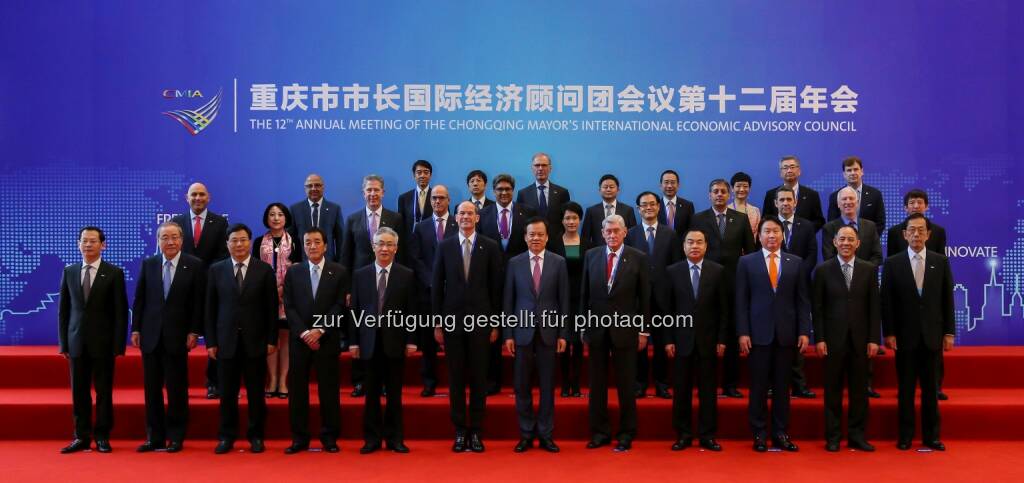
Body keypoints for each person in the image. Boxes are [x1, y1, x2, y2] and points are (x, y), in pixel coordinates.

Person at [432, 201, 503, 453]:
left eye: (469, 213)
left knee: (478, 378)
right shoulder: (445, 246)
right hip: (452, 323)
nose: (465, 217)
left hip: (482, 323)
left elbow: (496, 288)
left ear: (477, 217)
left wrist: (495, 322)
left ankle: (476, 431)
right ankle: (460, 430)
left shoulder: (490, 247)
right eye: (461, 213)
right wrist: (438, 321)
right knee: (456, 378)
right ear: (456, 216)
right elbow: (436, 285)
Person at [736, 218, 811, 452]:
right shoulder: (746, 262)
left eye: (775, 231)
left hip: (786, 335)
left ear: (782, 235)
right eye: (767, 231)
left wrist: (804, 331)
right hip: (757, 335)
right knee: (758, 387)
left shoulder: (795, 263)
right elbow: (741, 301)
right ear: (759, 235)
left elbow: (802, 301)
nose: (771, 235)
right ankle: (758, 433)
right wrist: (743, 332)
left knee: (782, 388)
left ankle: (780, 433)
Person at [882, 214, 954, 451]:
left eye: (920, 230)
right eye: (911, 230)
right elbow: (888, 302)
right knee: (905, 390)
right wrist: (889, 332)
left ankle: (931, 437)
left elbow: (947, 300)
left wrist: (949, 333)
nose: (916, 234)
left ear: (928, 234)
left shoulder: (940, 261)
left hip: (933, 336)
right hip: (905, 337)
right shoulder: (893, 263)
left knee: (931, 391)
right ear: (904, 235)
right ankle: (905, 436)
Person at [205, 224, 278, 454]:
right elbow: (210, 308)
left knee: (256, 393)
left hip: (255, 341)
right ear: (227, 244)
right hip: (225, 341)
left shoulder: (264, 270)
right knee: (227, 393)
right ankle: (227, 436)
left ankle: (256, 436)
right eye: (234, 240)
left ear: (250, 242)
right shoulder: (216, 270)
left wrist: (271, 339)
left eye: (243, 240)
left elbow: (271, 309)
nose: (238, 244)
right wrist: (211, 342)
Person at [131, 221, 204, 453]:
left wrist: (194, 331)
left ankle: (176, 436)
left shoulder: (194, 265)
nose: (170, 242)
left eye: (174, 237)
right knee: (151, 390)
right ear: (158, 241)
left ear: (181, 240)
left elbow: (197, 303)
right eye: (165, 238)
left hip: (178, 336)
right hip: (151, 336)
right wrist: (136, 329)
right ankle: (155, 437)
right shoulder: (149, 264)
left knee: (176, 389)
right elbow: (140, 299)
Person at [580, 214, 651, 452]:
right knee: (597, 385)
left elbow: (645, 298)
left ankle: (626, 433)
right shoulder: (591, 256)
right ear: (602, 233)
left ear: (624, 232)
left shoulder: (638, 258)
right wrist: (582, 325)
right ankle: (599, 432)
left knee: (626, 384)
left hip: (626, 330)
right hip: (597, 330)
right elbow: (584, 295)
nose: (612, 235)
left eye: (616, 231)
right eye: (607, 231)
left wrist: (643, 330)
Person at [58, 226, 128, 454]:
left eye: (93, 241)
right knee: (78, 392)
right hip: (76, 341)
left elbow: (120, 312)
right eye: (84, 241)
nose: (88, 245)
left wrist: (118, 345)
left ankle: (102, 436)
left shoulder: (114, 272)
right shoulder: (69, 271)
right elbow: (64, 311)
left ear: (103, 245)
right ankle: (81, 436)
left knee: (103, 392)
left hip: (104, 344)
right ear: (78, 244)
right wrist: (64, 344)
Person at [503, 217, 570, 453]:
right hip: (521, 333)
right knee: (521, 386)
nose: (536, 238)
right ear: (525, 237)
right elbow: (508, 301)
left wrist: (564, 333)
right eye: (531, 234)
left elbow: (564, 300)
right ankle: (526, 433)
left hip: (549, 334)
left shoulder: (559, 262)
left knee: (547, 385)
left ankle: (546, 434)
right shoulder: (514, 263)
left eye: (540, 234)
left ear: (547, 237)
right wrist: (508, 334)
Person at [349, 227, 418, 454]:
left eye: (390, 244)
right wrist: (354, 342)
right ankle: (371, 439)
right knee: (371, 395)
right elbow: (355, 311)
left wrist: (411, 340)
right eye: (381, 244)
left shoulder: (406, 274)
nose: (385, 248)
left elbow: (411, 311)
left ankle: (395, 438)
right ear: (373, 246)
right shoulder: (360, 274)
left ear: (396, 248)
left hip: (395, 342)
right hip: (368, 343)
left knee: (395, 395)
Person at [813, 225, 881, 452]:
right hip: (832, 341)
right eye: (842, 239)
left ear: (858, 243)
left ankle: (857, 435)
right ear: (834, 242)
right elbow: (818, 308)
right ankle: (833, 437)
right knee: (832, 391)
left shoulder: (869, 269)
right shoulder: (823, 270)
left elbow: (874, 307)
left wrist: (874, 338)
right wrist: (820, 338)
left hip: (861, 341)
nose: (846, 243)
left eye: (850, 239)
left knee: (859, 392)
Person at [281, 228, 349, 454]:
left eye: (317, 242)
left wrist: (319, 330)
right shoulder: (294, 272)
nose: (312, 246)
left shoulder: (338, 272)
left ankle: (329, 437)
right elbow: (288, 306)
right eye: (308, 242)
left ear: (326, 246)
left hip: (326, 339)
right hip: (300, 341)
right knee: (298, 391)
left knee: (329, 390)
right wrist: (304, 333)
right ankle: (299, 438)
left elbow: (339, 305)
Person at [664, 229, 727, 452]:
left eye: (699, 242)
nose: (695, 246)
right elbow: (667, 310)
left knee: (708, 391)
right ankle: (683, 434)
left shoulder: (718, 271)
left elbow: (723, 310)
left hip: (709, 341)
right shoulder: (672, 271)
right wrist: (668, 339)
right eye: (690, 242)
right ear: (683, 246)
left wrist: (722, 339)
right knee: (681, 390)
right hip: (681, 341)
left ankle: (707, 435)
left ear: (706, 246)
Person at [692, 179, 755, 398]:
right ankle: (704, 383)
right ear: (709, 195)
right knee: (705, 334)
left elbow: (751, 252)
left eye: (723, 192)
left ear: (729, 195)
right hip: (705, 285)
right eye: (715, 191)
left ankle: (730, 384)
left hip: (733, 285)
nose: (719, 195)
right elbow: (692, 249)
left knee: (730, 334)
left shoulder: (741, 218)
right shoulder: (698, 218)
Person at [342, 174, 404, 397]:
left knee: (385, 333)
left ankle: (386, 382)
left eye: (377, 190)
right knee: (362, 332)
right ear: (363, 193)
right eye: (369, 190)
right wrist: (348, 288)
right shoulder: (352, 219)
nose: (373, 194)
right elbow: (346, 256)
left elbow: (401, 254)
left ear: (383, 192)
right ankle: (360, 381)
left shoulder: (395, 218)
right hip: (361, 286)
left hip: (388, 283)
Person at [887, 189, 950, 399]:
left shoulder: (938, 232)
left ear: (926, 206)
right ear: (905, 207)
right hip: (906, 306)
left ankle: (936, 387)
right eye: (911, 203)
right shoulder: (895, 231)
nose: (915, 206)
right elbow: (893, 264)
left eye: (919, 202)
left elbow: (942, 276)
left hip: (930, 304)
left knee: (934, 359)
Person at [479, 173, 536, 395]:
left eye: (507, 189)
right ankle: (492, 381)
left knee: (522, 330)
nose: (504, 193)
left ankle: (523, 382)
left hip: (521, 280)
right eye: (499, 189)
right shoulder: (483, 214)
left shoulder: (527, 213)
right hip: (491, 282)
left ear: (513, 190)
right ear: (493, 192)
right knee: (492, 333)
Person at [170, 182, 228, 399]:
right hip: (181, 290)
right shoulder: (176, 222)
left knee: (215, 338)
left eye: (201, 194)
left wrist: (204, 274)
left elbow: (223, 255)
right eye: (193, 194)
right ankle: (179, 384)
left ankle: (214, 383)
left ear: (208, 197)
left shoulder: (220, 222)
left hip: (210, 288)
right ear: (187, 197)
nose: (197, 198)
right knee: (179, 338)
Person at [625, 191, 680, 399]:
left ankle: (661, 383)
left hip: (663, 298)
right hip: (638, 298)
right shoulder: (630, 234)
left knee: (661, 343)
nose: (648, 207)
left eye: (652, 204)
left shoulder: (670, 234)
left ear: (659, 207)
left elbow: (675, 266)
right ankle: (639, 384)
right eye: (644, 205)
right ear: (638, 209)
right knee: (638, 344)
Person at [408, 185, 458, 397]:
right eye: (434, 198)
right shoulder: (421, 227)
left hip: (455, 293)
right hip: (428, 293)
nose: (437, 201)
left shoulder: (459, 224)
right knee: (429, 342)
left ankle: (456, 383)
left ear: (449, 200)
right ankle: (429, 382)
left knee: (455, 341)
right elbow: (415, 258)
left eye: (441, 198)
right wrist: (432, 281)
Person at [253, 202, 301, 399]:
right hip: (264, 296)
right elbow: (254, 271)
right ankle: (271, 379)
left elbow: (297, 270)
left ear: (286, 218)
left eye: (280, 214)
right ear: (266, 218)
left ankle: (283, 380)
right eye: (272, 214)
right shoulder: (257, 242)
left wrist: (282, 289)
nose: (276, 218)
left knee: (285, 339)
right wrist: (270, 290)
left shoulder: (296, 240)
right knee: (270, 339)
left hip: (288, 296)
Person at [774, 186, 818, 399]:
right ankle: (774, 385)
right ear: (776, 203)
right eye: (781, 200)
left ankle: (799, 385)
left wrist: (797, 274)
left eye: (788, 199)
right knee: (775, 338)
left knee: (797, 336)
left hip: (799, 286)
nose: (785, 203)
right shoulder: (770, 226)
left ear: (795, 202)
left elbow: (811, 254)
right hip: (773, 286)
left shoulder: (807, 226)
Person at [549, 202, 587, 397]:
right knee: (563, 341)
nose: (571, 221)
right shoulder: (554, 242)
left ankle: (576, 384)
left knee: (578, 344)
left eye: (574, 218)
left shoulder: (588, 242)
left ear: (580, 220)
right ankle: (564, 384)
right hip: (559, 299)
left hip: (580, 300)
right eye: (567, 218)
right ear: (562, 221)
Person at [821, 187, 883, 266]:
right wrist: (847, 270)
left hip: (866, 276)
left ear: (857, 203)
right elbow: (828, 257)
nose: (848, 202)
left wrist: (864, 271)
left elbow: (877, 256)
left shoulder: (870, 226)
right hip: (839, 276)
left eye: (851, 198)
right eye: (844, 199)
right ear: (838, 204)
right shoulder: (829, 228)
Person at [290, 173, 345, 262]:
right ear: (305, 188)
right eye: (310, 186)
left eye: (317, 185)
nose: (313, 188)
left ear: (323, 187)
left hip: (328, 263)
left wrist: (340, 264)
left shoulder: (334, 209)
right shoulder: (295, 209)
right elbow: (289, 239)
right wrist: (294, 261)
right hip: (302, 263)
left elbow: (341, 240)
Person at [761, 156, 826, 231]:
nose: (789, 170)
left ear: (799, 171)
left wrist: (805, 231)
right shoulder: (771, 194)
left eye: (792, 167)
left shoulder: (811, 195)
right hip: (778, 240)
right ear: (781, 173)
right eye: (785, 168)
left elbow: (819, 221)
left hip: (803, 240)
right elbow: (765, 219)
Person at [516, 152, 571, 236]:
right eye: (537, 165)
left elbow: (566, 218)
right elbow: (520, 221)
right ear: (532, 168)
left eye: (544, 165)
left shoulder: (562, 192)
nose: (540, 168)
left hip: (556, 242)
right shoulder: (523, 194)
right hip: (533, 241)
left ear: (550, 168)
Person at [827, 156, 886, 231]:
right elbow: (832, 223)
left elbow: (880, 223)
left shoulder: (875, 194)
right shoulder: (835, 196)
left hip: (868, 241)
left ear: (862, 171)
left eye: (855, 169)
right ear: (844, 174)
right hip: (843, 241)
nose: (853, 173)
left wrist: (867, 239)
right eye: (849, 170)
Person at [581, 174, 638, 247]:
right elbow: (585, 237)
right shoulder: (591, 211)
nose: (608, 189)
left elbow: (632, 235)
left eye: (611, 187)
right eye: (605, 187)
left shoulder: (628, 210)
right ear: (600, 190)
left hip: (622, 252)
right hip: (599, 253)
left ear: (618, 190)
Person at [657, 169, 696, 240]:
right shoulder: (655, 206)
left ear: (678, 185)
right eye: (666, 182)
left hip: (681, 248)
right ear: (660, 185)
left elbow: (691, 230)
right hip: (660, 248)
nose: (669, 186)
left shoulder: (688, 206)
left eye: (672, 182)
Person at [398, 160, 433, 236]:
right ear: (414, 175)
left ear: (430, 175)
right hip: (410, 242)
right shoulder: (404, 198)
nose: (422, 175)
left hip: (431, 241)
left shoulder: (437, 197)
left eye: (426, 172)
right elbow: (401, 225)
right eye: (419, 172)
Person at [728, 172, 760, 238]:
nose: (742, 189)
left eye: (745, 186)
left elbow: (757, 235)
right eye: (738, 186)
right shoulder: (725, 210)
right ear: (732, 189)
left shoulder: (755, 211)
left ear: (749, 188)